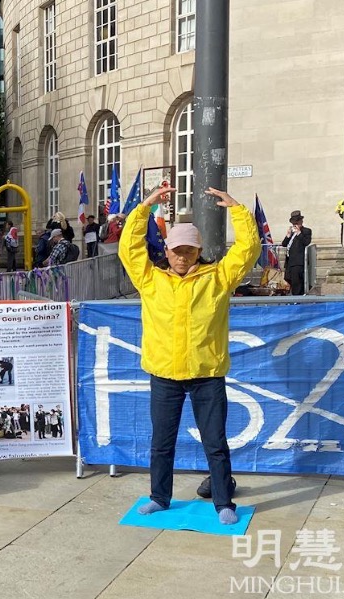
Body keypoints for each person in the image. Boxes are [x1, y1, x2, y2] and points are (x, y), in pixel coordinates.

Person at [119, 185, 259, 526]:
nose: (182, 256)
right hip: (164, 375)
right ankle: (159, 497)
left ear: (198, 251)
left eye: (189, 250)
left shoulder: (219, 278)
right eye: (177, 250)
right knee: (162, 443)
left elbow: (248, 249)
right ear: (166, 250)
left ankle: (223, 502)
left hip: (206, 375)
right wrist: (144, 209)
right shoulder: (150, 279)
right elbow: (129, 249)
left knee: (215, 442)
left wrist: (238, 211)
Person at [281, 210, 312, 295]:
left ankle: (297, 299)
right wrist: (288, 236)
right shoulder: (291, 233)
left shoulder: (306, 231)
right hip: (290, 262)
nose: (296, 224)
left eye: (298, 221)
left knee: (297, 283)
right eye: (295, 222)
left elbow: (306, 242)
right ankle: (295, 296)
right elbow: (284, 244)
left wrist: (299, 233)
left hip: (298, 262)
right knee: (289, 280)